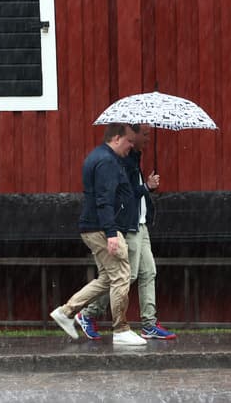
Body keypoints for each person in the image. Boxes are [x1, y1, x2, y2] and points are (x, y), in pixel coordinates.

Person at [74, 123, 177, 340]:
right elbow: (124, 195)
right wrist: (145, 188)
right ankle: (89, 313)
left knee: (148, 272)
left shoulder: (133, 158)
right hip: (129, 225)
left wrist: (147, 187)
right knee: (125, 276)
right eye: (143, 135)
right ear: (129, 137)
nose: (147, 139)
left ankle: (149, 323)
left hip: (141, 224)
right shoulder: (121, 160)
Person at [48, 123, 146, 346]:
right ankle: (121, 329)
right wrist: (111, 233)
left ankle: (66, 312)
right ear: (116, 138)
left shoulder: (102, 157)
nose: (132, 146)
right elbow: (104, 198)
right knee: (121, 276)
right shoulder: (106, 162)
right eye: (129, 141)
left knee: (107, 278)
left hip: (95, 227)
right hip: (103, 228)